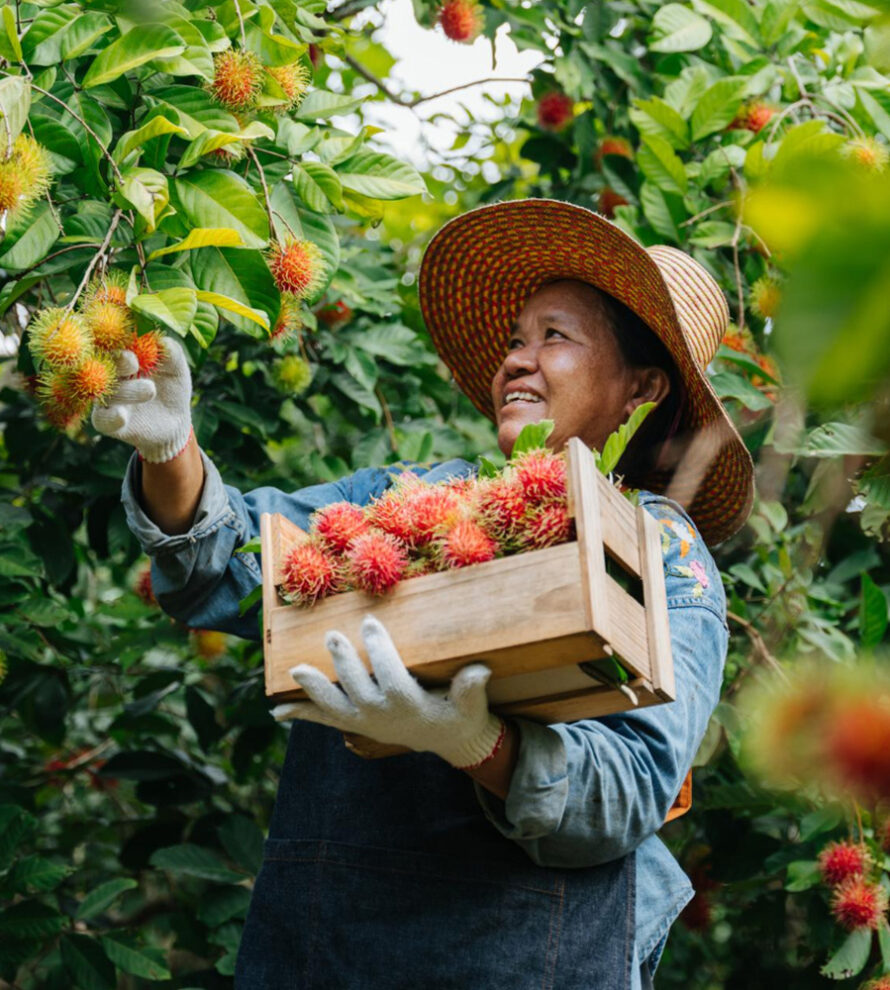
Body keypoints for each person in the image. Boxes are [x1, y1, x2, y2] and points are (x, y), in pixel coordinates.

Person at [95, 199, 754, 989]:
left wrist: (476, 742)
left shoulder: (660, 551)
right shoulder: (407, 497)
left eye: (554, 336)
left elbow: (629, 788)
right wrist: (171, 446)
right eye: (515, 339)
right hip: (323, 953)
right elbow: (229, 562)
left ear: (640, 389)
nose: (518, 360)